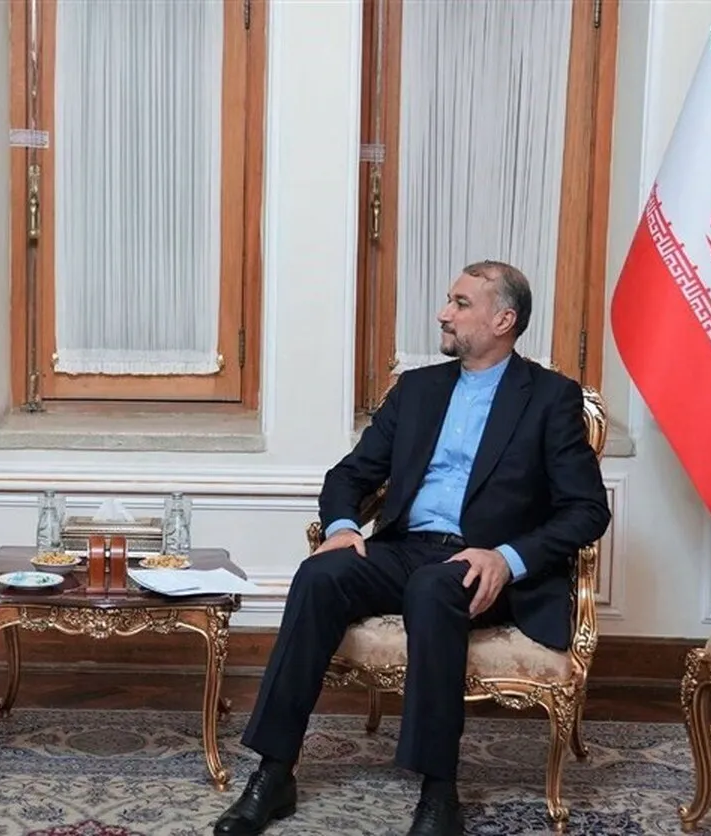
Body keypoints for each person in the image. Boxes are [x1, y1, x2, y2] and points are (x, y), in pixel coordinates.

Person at [213, 261, 611, 836]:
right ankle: (274, 773)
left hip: (484, 563)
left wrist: (506, 558)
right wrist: (343, 527)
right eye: (449, 300)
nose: (444, 314)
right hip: (405, 547)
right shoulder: (419, 390)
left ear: (503, 320)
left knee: (434, 587)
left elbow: (587, 509)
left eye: (461, 304)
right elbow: (350, 474)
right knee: (320, 575)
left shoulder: (550, 397)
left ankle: (439, 794)